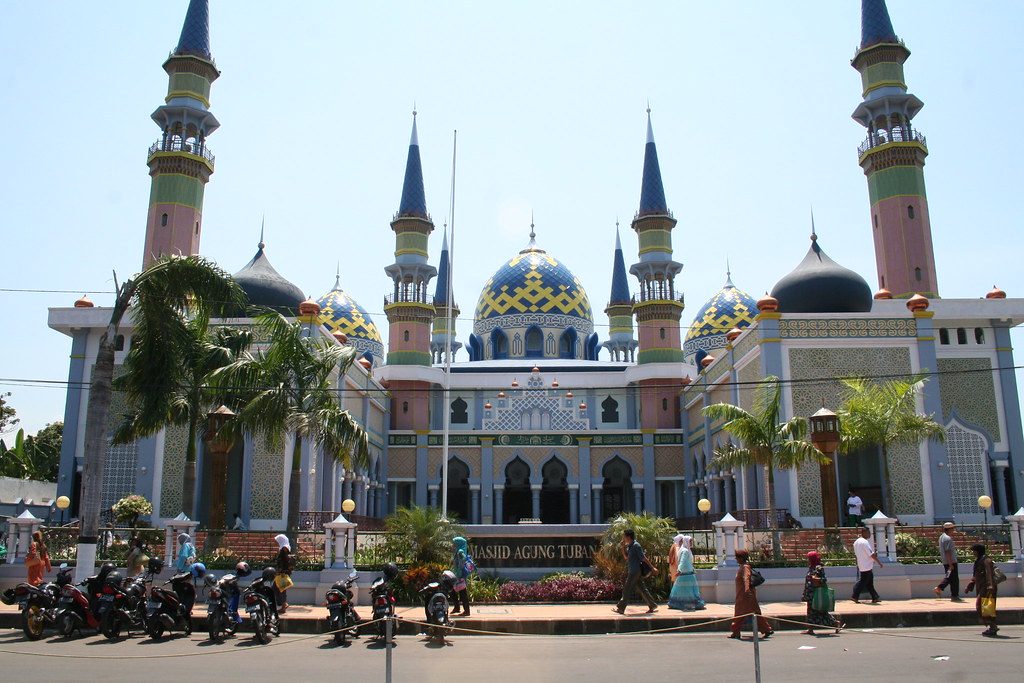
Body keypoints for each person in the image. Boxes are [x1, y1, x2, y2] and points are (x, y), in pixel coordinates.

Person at [612, 528, 659, 615]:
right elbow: (626, 557)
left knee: (627, 589)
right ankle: (652, 605)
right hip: (633, 570)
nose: (623, 538)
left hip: (635, 571)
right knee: (642, 589)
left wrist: (652, 568)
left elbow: (643, 558)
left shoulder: (636, 545)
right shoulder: (630, 546)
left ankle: (621, 608)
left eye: (624, 536)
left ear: (628, 537)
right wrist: (623, 548)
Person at [730, 549, 772, 639]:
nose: (736, 559)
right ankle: (766, 629)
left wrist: (747, 589)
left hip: (744, 595)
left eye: (737, 557)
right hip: (745, 594)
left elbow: (746, 578)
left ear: (741, 558)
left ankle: (736, 631)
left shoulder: (745, 568)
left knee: (739, 613)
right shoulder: (743, 567)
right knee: (755, 613)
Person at [801, 551, 840, 634]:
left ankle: (835, 623)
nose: (808, 560)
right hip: (810, 593)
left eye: (809, 558)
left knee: (821, 611)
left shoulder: (819, 568)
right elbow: (807, 581)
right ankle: (810, 629)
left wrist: (816, 579)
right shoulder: (811, 568)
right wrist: (804, 593)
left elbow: (824, 580)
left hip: (816, 593)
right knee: (810, 612)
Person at [965, 543, 998, 636]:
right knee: (984, 606)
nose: (973, 553)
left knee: (983, 606)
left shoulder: (986, 560)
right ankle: (992, 626)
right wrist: (969, 586)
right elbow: (976, 575)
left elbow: (989, 573)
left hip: (987, 587)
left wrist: (990, 586)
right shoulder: (979, 561)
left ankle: (992, 626)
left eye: (974, 551)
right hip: (982, 586)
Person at [668, 535, 705, 611]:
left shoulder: (687, 550)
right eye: (690, 541)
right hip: (685, 573)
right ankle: (684, 604)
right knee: (686, 590)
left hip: (688, 572)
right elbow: (682, 561)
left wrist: (692, 568)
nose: (691, 543)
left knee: (684, 589)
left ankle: (681, 603)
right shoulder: (685, 551)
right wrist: (680, 570)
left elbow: (688, 562)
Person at [851, 526, 882, 604]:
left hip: (862, 564)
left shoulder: (856, 542)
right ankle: (855, 596)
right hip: (866, 565)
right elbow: (871, 554)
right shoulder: (864, 542)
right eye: (869, 533)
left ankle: (875, 597)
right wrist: (879, 562)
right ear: (864, 533)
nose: (870, 535)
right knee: (863, 582)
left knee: (869, 583)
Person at [933, 522, 962, 602]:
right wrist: (950, 564)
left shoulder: (942, 537)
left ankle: (939, 588)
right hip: (951, 562)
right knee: (954, 579)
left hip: (946, 562)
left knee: (949, 577)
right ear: (950, 529)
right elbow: (948, 551)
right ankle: (954, 595)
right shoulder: (948, 539)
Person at [450, 536, 472, 616]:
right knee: (454, 591)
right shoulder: (459, 551)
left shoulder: (460, 552)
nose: (453, 544)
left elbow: (462, 562)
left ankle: (466, 611)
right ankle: (457, 607)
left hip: (460, 576)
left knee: (462, 593)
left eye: (454, 543)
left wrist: (459, 575)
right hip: (458, 575)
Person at [273, 534, 292, 613]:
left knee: (275, 588)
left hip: (282, 573)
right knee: (282, 589)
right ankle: (283, 606)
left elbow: (284, 561)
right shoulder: (287, 548)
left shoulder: (284, 549)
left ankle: (284, 604)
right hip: (284, 572)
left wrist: (281, 571)